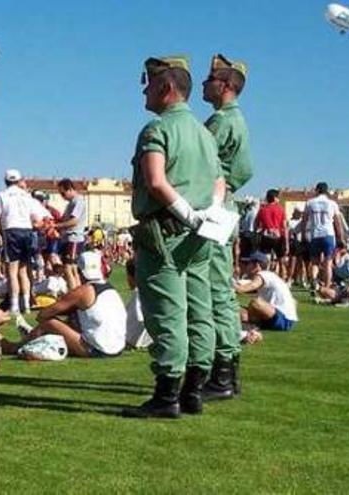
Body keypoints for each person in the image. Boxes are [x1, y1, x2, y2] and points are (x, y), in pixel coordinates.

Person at [122, 55, 223, 419]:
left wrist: (188, 216)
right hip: (200, 239)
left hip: (166, 234)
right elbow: (219, 182)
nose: (144, 90)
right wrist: (206, 215)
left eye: (148, 82)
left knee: (167, 315)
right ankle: (193, 390)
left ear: (166, 87)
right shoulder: (204, 133)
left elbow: (156, 181)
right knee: (200, 312)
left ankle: (166, 396)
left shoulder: (157, 130)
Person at [200, 54, 253, 402]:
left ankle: (222, 373)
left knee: (216, 292)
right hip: (226, 206)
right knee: (220, 290)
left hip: (214, 207)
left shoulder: (221, 121)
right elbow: (245, 168)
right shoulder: (236, 120)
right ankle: (226, 371)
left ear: (226, 85)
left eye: (211, 78)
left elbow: (200, 163)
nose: (204, 84)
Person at [4, 250, 126, 358]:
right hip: (117, 347)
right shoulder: (111, 290)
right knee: (72, 321)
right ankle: (33, 337)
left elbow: (42, 315)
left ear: (78, 271)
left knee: (49, 323)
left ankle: (15, 347)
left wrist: (66, 310)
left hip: (97, 349)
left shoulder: (84, 291)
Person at [0, 169, 47, 316]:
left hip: (11, 231)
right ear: (18, 180)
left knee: (12, 271)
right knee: (24, 270)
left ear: (6, 181)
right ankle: (27, 304)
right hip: (27, 231)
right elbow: (36, 218)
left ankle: (14, 305)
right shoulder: (27, 196)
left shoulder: (2, 195)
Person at [235, 251, 299, 331]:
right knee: (237, 309)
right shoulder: (269, 276)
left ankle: (250, 325)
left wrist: (234, 288)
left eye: (247, 264)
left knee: (255, 303)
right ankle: (250, 324)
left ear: (257, 265)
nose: (244, 267)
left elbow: (250, 286)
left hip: (284, 319)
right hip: (274, 315)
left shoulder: (264, 274)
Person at [302, 182, 344, 289]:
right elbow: (338, 223)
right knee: (328, 263)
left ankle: (314, 280)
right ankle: (327, 286)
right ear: (327, 191)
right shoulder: (332, 203)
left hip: (315, 234)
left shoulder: (310, 203)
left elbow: (304, 220)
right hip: (328, 234)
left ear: (317, 190)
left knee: (314, 262)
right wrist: (340, 237)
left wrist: (303, 235)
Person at [55, 178, 87, 289]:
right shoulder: (70, 204)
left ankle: (74, 294)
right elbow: (63, 220)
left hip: (74, 238)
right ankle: (76, 293)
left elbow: (74, 221)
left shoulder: (78, 201)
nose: (62, 196)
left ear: (69, 189)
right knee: (71, 268)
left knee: (69, 268)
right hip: (68, 238)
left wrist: (55, 226)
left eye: (63, 193)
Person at [255, 189, 288, 278]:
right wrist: (286, 242)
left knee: (264, 260)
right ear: (275, 198)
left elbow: (256, 224)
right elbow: (284, 226)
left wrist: (259, 231)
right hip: (278, 236)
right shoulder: (281, 209)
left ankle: (264, 280)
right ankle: (282, 281)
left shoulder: (262, 210)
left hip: (266, 236)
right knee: (281, 261)